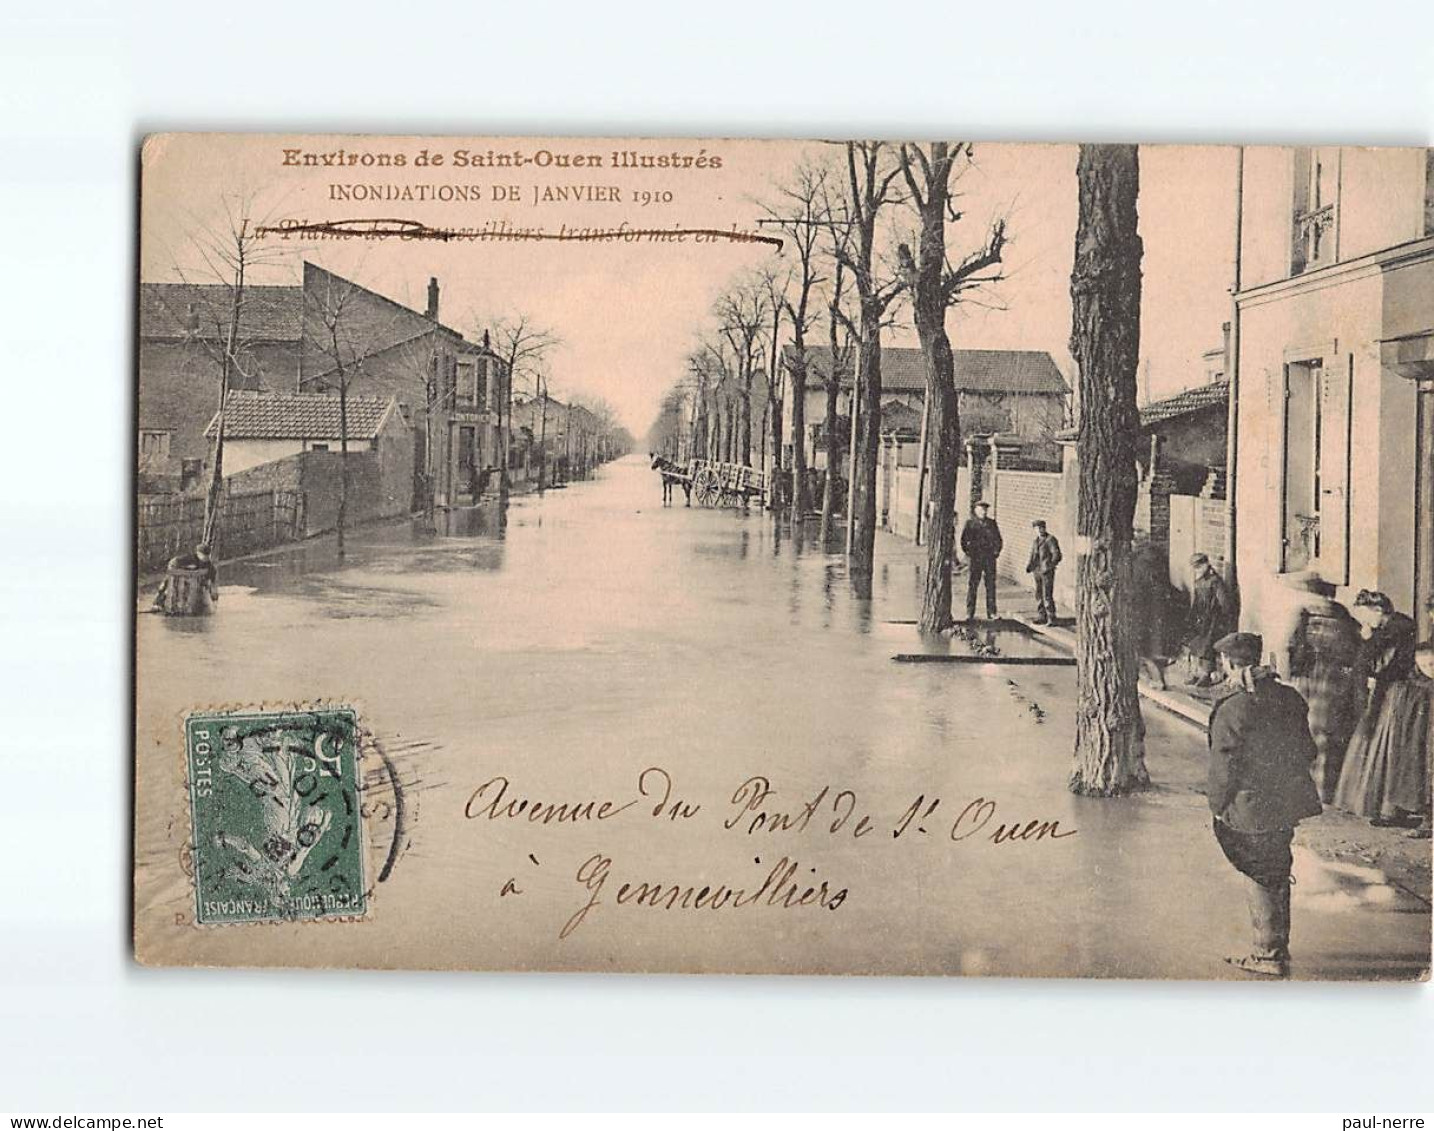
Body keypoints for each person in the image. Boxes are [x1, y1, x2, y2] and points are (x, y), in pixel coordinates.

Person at [1206, 631, 1322, 978]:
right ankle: (1276, 948)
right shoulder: (1291, 697)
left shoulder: (1234, 706)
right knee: (1276, 871)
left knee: (1259, 874)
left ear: (1228, 663)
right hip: (1284, 802)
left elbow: (1224, 765)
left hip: (1249, 805)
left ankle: (1268, 954)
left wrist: (1217, 803)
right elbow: (1308, 750)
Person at [1333, 590, 1424, 826]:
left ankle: (1387, 808)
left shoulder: (1397, 628)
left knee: (1387, 743)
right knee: (1375, 740)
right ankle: (1377, 805)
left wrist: (1368, 643)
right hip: (1386, 689)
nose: (1365, 622)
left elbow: (1382, 664)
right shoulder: (1387, 629)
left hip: (1394, 692)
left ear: (1378, 610)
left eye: (1366, 615)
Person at [1280, 572, 1362, 802]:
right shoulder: (1344, 617)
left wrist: (1286, 680)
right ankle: (1325, 789)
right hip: (1336, 683)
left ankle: (1306, 788)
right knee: (1328, 734)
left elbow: (1288, 647)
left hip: (1310, 680)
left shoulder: (1302, 615)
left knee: (1305, 730)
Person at [1182, 553, 1235, 688]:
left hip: (1213, 619)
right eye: (1195, 568)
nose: (1197, 570)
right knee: (1195, 643)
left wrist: (1220, 617)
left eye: (1200, 566)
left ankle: (1206, 675)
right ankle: (1197, 673)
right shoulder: (1199, 581)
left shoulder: (1215, 581)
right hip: (1200, 617)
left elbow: (1225, 604)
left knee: (1207, 646)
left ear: (1206, 564)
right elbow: (1197, 601)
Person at [960, 501, 1003, 621]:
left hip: (989, 559)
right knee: (973, 585)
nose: (983, 512)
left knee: (990, 586)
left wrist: (996, 552)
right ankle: (969, 613)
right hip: (976, 559)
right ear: (976, 511)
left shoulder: (992, 523)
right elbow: (963, 541)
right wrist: (969, 553)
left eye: (985, 510)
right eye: (981, 510)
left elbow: (998, 540)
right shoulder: (970, 524)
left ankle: (992, 612)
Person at [153, 542, 219, 613]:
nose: (205, 558)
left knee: (203, 586)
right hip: (180, 574)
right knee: (169, 583)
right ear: (198, 553)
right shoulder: (188, 559)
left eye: (207, 556)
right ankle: (158, 602)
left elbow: (213, 584)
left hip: (197, 582)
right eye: (203, 556)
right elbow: (173, 563)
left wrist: (214, 599)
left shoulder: (210, 567)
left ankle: (198, 604)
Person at [1025, 519, 1063, 625]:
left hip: (1046, 571)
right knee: (1038, 594)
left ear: (1044, 528)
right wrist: (1029, 566)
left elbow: (1057, 555)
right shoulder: (1036, 541)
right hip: (1037, 571)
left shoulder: (1050, 540)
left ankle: (1051, 617)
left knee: (1047, 594)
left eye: (1041, 528)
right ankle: (1042, 615)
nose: (1039, 530)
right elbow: (1033, 555)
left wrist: (1049, 566)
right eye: (1036, 529)